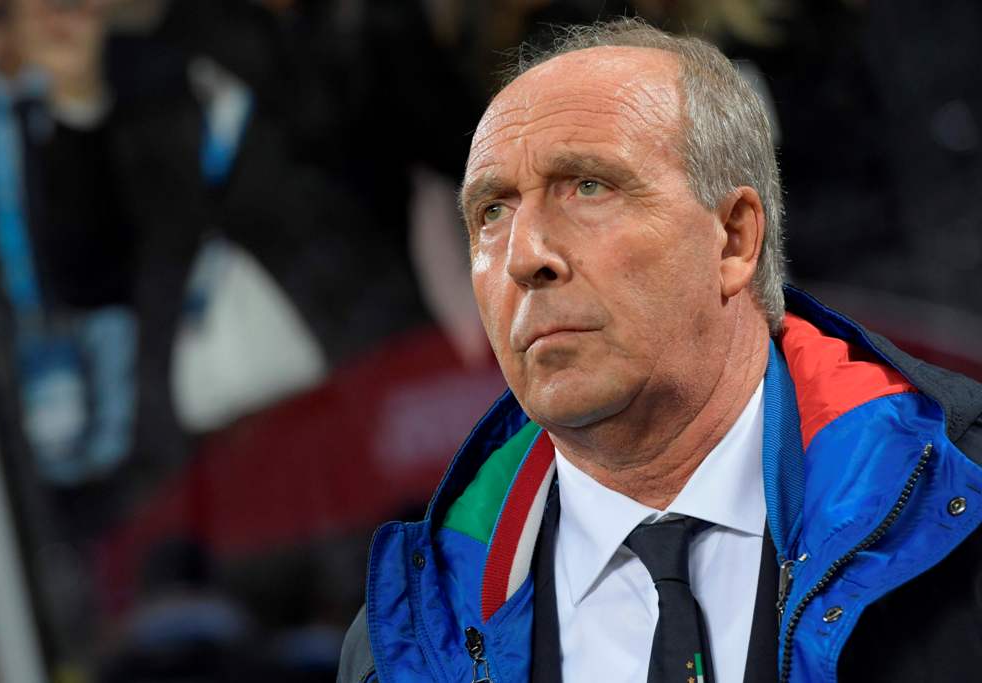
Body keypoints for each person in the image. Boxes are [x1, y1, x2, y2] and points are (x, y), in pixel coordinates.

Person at [337, 18, 982, 683]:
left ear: (734, 238)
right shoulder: (406, 639)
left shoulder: (959, 507)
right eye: (492, 212)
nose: (525, 257)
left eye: (588, 186)